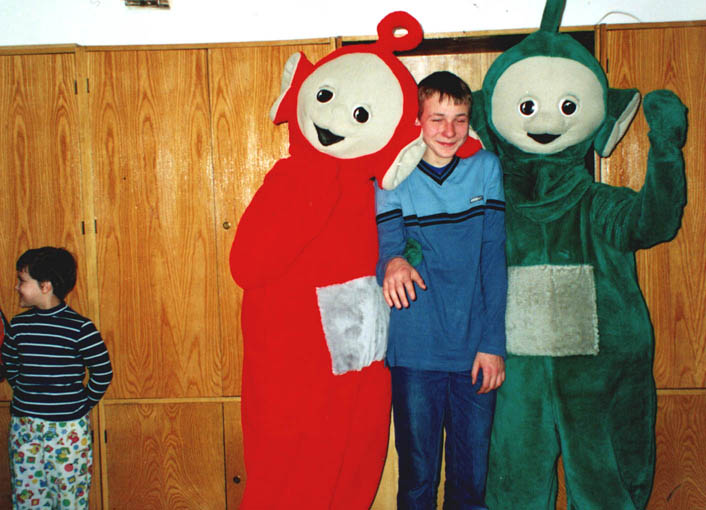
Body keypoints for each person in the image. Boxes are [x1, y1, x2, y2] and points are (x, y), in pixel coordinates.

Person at [375, 71, 507, 509]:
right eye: (437, 119)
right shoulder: (391, 177)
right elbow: (387, 252)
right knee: (417, 480)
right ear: (418, 121)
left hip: (475, 352)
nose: (449, 131)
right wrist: (393, 264)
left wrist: (493, 344)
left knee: (471, 483)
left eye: (459, 119)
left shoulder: (485, 168)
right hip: (415, 352)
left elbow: (494, 259)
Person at [1, 247, 113, 510]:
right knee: (27, 498)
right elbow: (10, 365)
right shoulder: (18, 327)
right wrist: (27, 394)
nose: (16, 287)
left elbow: (103, 371)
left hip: (67, 430)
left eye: (22, 280)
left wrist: (82, 404)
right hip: (25, 428)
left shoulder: (80, 328)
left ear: (45, 286)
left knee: (69, 497)